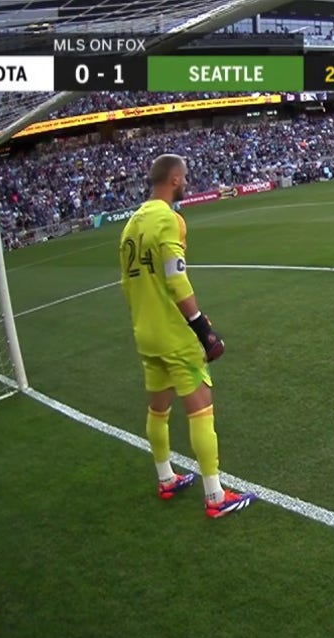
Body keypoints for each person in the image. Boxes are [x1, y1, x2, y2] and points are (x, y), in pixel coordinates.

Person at [119, 153, 253, 518]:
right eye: (186, 177)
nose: (188, 181)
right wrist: (203, 330)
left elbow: (127, 284)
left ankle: (166, 478)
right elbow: (176, 278)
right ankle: (215, 496)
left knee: (158, 410)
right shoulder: (169, 219)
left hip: (145, 334)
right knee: (201, 409)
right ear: (176, 179)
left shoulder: (131, 224)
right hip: (175, 336)